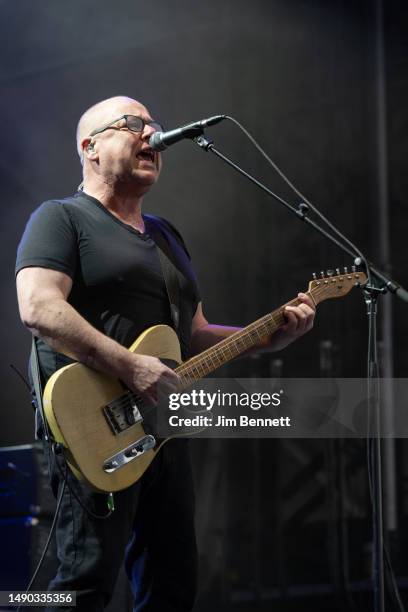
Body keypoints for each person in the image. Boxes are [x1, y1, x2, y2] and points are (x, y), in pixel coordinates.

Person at [15, 96, 316, 611]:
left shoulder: (164, 235)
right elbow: (39, 308)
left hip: (162, 425)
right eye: (133, 124)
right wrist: (130, 365)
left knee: (172, 580)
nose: (152, 134)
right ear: (89, 147)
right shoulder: (61, 218)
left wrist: (268, 335)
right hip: (93, 425)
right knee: (86, 578)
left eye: (154, 125)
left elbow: (191, 334)